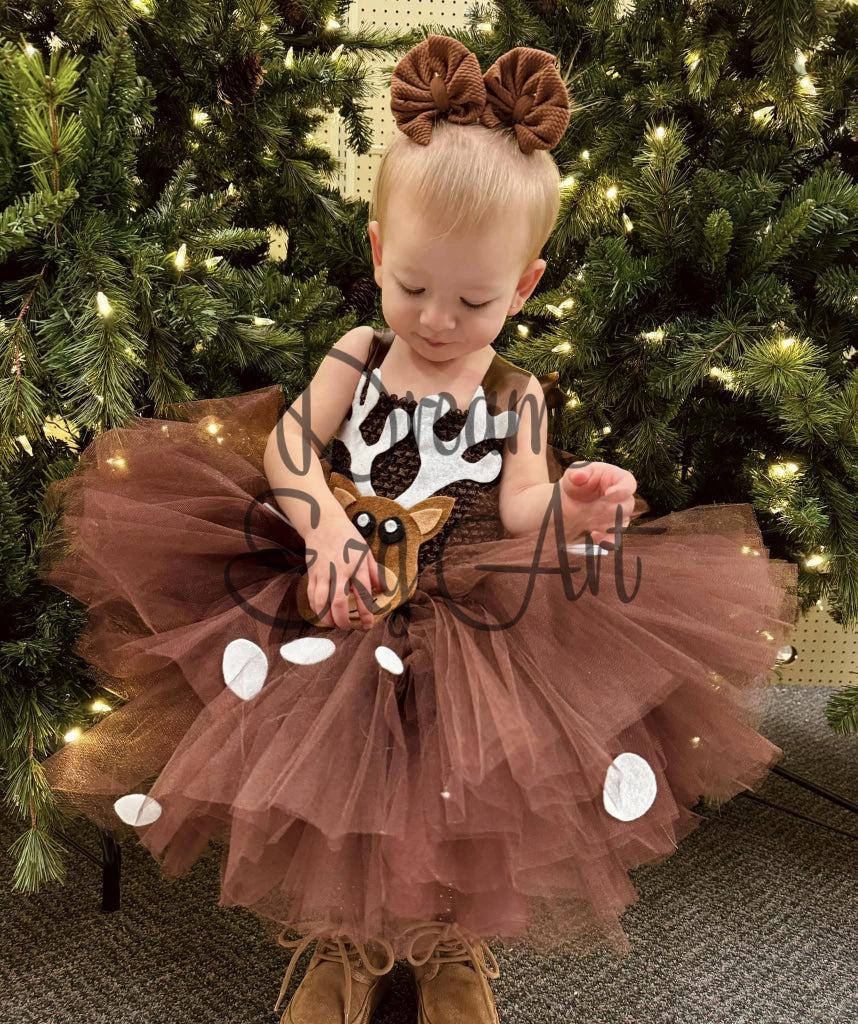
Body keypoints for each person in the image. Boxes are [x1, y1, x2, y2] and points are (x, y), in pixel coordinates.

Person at [37, 34, 799, 1024]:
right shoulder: (356, 355)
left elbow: (525, 506)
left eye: (474, 299)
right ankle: (345, 946)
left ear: (521, 289)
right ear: (379, 254)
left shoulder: (516, 393)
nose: (438, 318)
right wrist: (321, 531)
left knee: (466, 800)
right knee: (346, 798)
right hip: (337, 604)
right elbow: (288, 454)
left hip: (476, 623)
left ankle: (450, 951)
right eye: (415, 287)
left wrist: (574, 505)